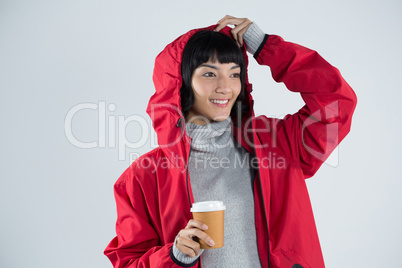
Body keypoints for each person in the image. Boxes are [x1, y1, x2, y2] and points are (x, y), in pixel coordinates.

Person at [104, 15, 357, 268]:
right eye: (209, 74)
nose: (226, 87)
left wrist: (267, 47)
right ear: (180, 84)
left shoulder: (276, 143)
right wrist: (174, 256)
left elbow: (336, 102)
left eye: (234, 74)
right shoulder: (142, 177)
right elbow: (127, 262)